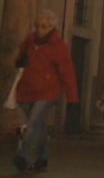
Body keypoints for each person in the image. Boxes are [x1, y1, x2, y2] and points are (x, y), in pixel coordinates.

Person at [12, 10, 78, 173]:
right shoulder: (29, 41)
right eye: (39, 26)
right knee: (39, 125)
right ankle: (42, 159)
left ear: (51, 27)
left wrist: (72, 99)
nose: (41, 29)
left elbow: (67, 73)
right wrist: (19, 60)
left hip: (47, 92)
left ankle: (23, 156)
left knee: (33, 124)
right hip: (27, 90)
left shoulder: (59, 47)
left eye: (45, 26)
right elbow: (19, 58)